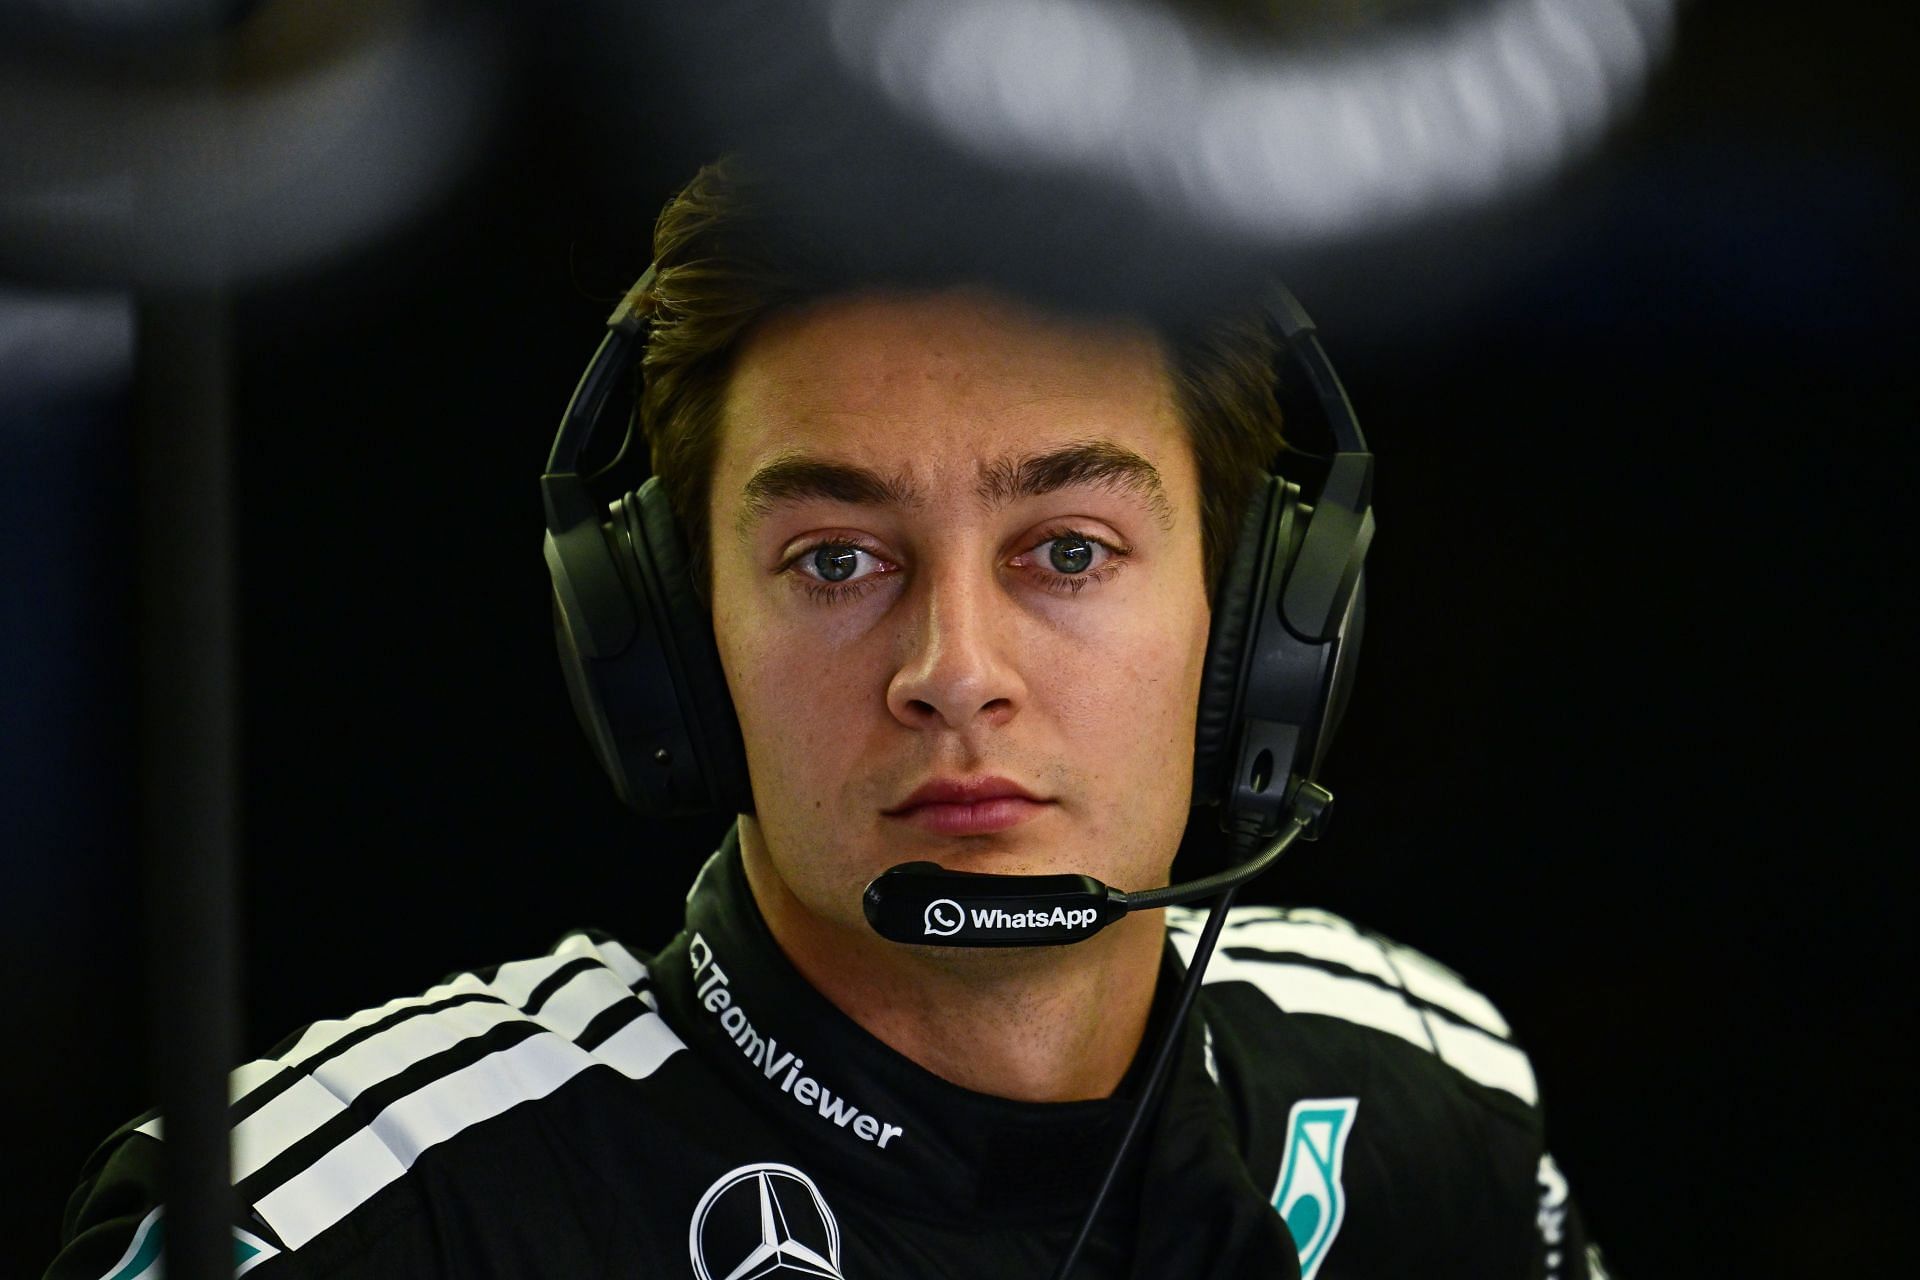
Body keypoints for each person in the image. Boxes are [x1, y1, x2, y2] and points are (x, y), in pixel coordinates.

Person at [49, 160, 1607, 1279]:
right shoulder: (346, 1215)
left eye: (1068, 550)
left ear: (1264, 621)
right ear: (661, 639)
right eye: (837, 559)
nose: (954, 667)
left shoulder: (1422, 1094)